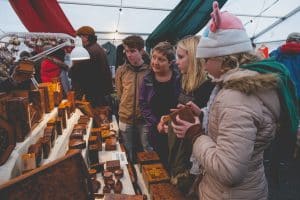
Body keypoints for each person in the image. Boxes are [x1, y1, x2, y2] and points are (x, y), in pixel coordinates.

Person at [171, 1, 297, 199]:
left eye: (206, 60)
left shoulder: (237, 98)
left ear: (224, 59)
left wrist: (195, 135)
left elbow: (228, 171)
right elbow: (239, 128)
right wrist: (204, 113)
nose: (203, 67)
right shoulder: (240, 87)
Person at [159, 35, 214, 195]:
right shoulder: (183, 81)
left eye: (181, 57)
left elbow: (209, 126)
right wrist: (169, 119)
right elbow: (182, 111)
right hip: (180, 148)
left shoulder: (208, 88)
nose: (176, 62)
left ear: (195, 58)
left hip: (194, 156)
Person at [139, 41, 180, 168]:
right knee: (159, 164)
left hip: (177, 130)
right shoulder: (147, 80)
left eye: (161, 59)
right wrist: (156, 124)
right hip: (156, 130)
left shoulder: (179, 78)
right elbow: (143, 105)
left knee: (176, 162)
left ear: (170, 62)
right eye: (154, 57)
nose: (155, 62)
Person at [115, 35, 152, 162]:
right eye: (126, 51)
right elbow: (120, 93)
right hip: (126, 118)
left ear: (141, 51)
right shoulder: (121, 70)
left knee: (147, 149)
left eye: (132, 51)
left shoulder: (150, 71)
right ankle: (131, 178)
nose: (129, 54)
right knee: (126, 150)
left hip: (145, 120)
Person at [75, 26, 113, 106]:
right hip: (98, 90)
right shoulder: (95, 47)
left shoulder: (91, 50)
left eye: (80, 36)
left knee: (95, 113)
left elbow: (85, 74)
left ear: (86, 37)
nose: (80, 39)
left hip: (95, 91)